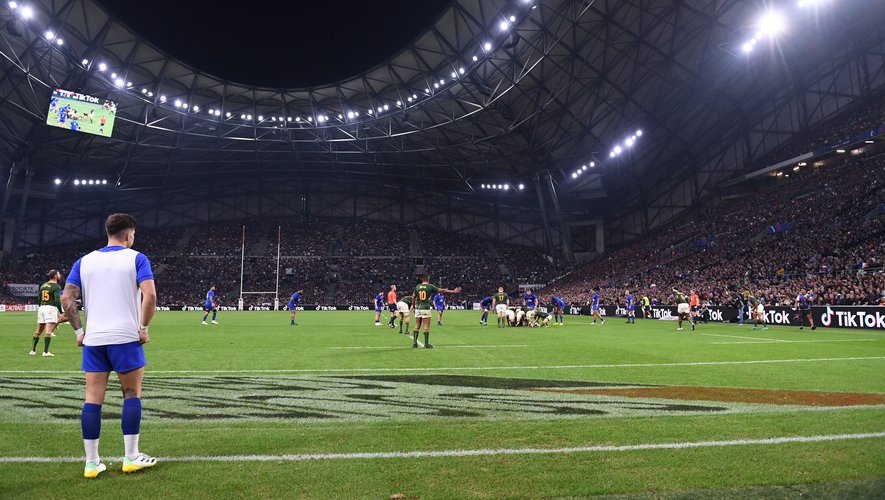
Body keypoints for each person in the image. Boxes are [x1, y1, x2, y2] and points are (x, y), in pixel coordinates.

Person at [61, 213, 157, 478]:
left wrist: (79, 330)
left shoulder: (84, 261)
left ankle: (91, 464)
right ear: (129, 235)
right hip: (126, 338)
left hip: (94, 341)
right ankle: (131, 456)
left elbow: (67, 297)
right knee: (131, 396)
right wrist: (144, 328)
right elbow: (149, 294)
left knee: (92, 400)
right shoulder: (137, 258)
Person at [410, 274, 461, 348]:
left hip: (418, 308)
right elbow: (442, 290)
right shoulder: (430, 286)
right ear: (428, 279)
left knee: (417, 325)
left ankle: (414, 343)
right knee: (426, 326)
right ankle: (426, 344)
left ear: (422, 280)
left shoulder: (417, 286)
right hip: (425, 308)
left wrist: (414, 307)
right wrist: (453, 291)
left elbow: (413, 297)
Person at [31, 270, 64, 357]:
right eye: (58, 274)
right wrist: (60, 311)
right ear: (55, 276)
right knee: (48, 331)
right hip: (50, 308)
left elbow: (39, 298)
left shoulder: (43, 285)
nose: (60, 275)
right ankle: (45, 352)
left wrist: (41, 307)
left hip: (42, 307)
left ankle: (33, 351)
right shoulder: (56, 287)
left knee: (38, 331)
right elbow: (57, 299)